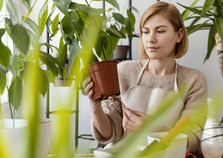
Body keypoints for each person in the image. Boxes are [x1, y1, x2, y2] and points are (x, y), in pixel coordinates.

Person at [83, 1, 207, 153]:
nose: (151, 39)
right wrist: (95, 108)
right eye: (146, 32)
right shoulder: (124, 70)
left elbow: (192, 140)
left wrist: (151, 127)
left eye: (160, 31)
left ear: (179, 35)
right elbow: (110, 133)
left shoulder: (193, 80)